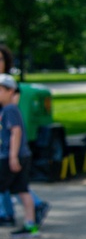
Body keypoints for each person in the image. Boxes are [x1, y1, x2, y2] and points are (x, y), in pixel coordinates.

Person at [0, 44, 48, 227]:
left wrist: (13, 153)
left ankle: (34, 206)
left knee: (12, 181)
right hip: (4, 139)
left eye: (0, 59)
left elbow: (13, 118)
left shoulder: (9, 87)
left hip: (10, 140)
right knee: (11, 182)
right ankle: (7, 213)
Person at [0, 74, 39, 239]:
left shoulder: (9, 110)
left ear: (10, 91)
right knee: (22, 189)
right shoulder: (10, 109)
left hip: (10, 156)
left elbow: (16, 132)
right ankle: (30, 225)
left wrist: (13, 156)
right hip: (21, 155)